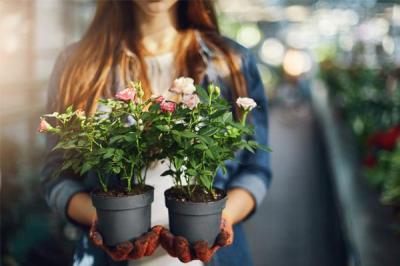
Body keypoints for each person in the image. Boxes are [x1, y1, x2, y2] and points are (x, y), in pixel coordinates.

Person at [40, 0, 271, 265]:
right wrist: (101, 217)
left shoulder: (231, 62)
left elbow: (255, 171)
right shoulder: (79, 65)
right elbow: (55, 177)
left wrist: (221, 219)